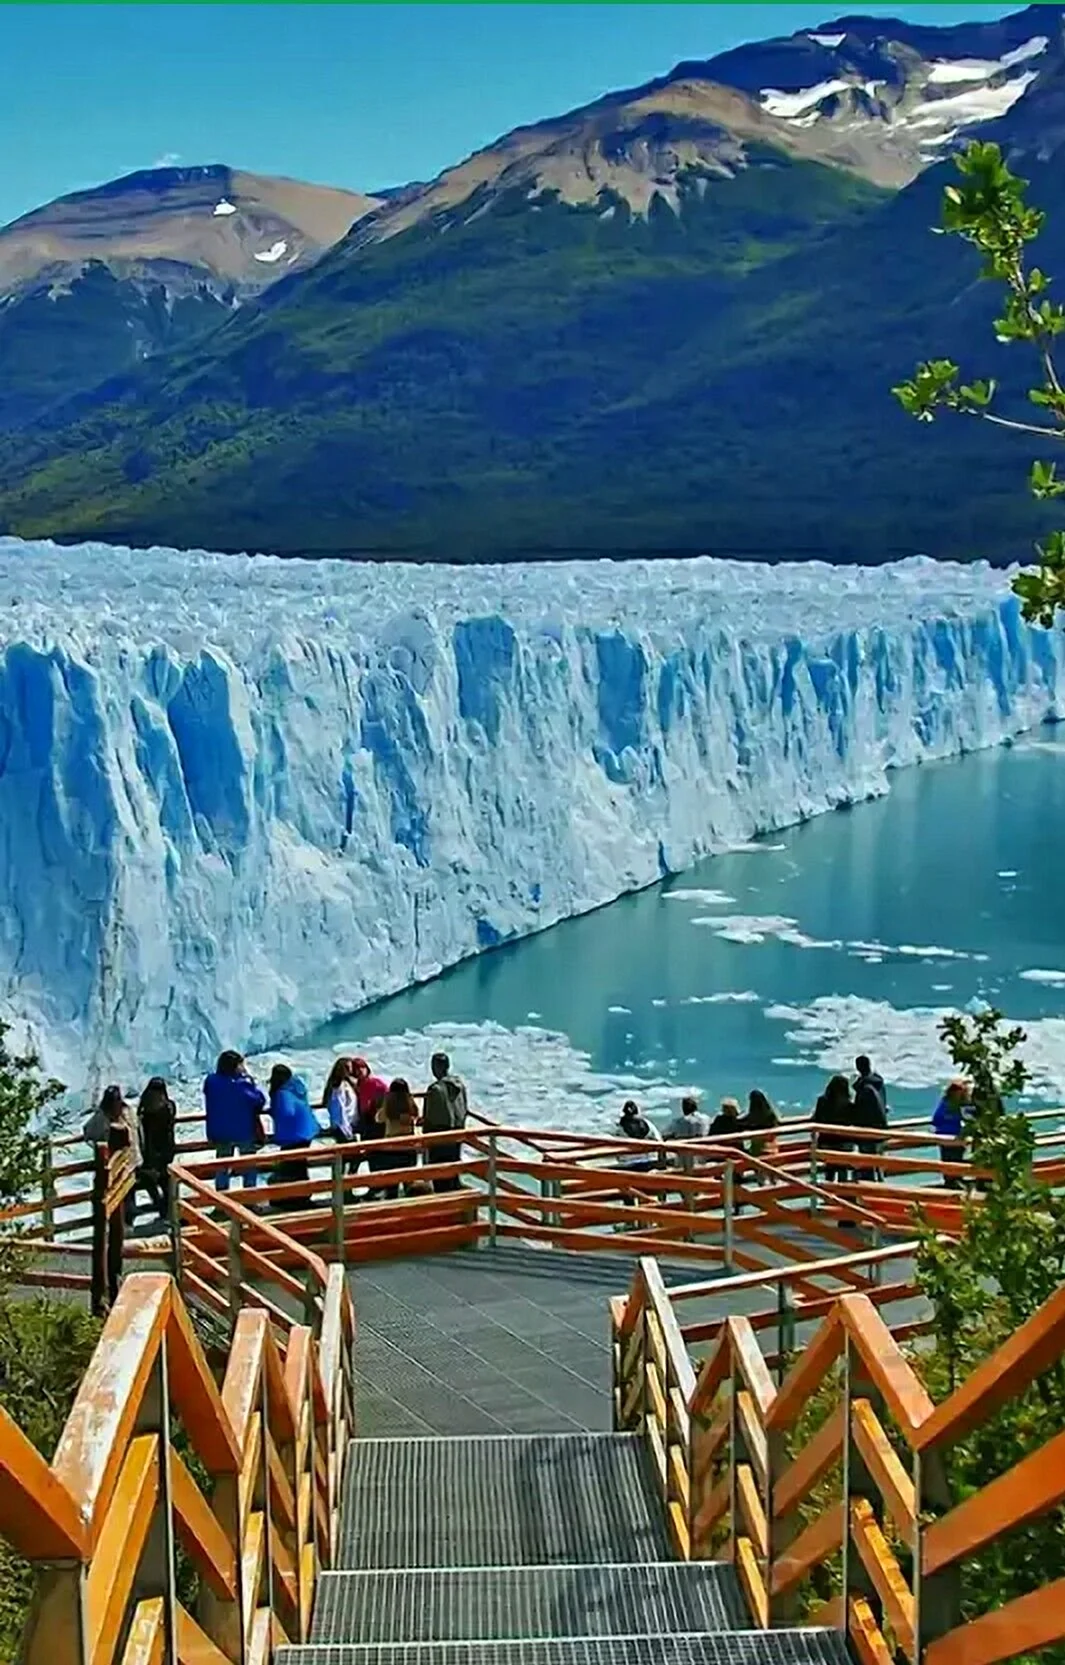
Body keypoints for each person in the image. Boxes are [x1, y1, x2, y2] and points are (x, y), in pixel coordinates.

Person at [84, 1085, 140, 1316]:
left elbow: (138, 1133)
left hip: (128, 1165)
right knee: (116, 1209)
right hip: (116, 1169)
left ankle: (128, 1223)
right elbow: (88, 1132)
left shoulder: (129, 1112)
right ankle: (109, 1286)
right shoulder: (102, 1118)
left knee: (126, 1200)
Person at [203, 1050, 266, 1191]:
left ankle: (221, 1202)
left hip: (219, 1132)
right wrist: (250, 1080)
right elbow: (259, 1100)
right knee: (248, 1167)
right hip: (243, 1132)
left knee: (222, 1169)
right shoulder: (242, 1084)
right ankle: (249, 1200)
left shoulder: (211, 1081)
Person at [422, 1051, 469, 1193]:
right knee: (453, 1174)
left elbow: (429, 1117)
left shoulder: (435, 1089)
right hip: (457, 1134)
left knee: (440, 1176)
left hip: (439, 1138)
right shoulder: (460, 1086)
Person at [135, 1076, 177, 1219]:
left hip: (150, 1153)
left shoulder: (144, 1110)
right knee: (165, 1183)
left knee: (156, 1182)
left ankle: (163, 1208)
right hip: (162, 1152)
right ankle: (168, 1210)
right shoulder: (168, 1107)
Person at [375, 1078, 420, 1199]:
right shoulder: (410, 1103)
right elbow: (417, 1116)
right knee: (409, 1184)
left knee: (391, 1187)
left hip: (391, 1148)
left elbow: (378, 1118)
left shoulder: (389, 1104)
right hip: (408, 1148)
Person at [352, 1056, 389, 1195]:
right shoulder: (359, 1086)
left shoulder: (373, 1082)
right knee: (373, 1157)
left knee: (377, 1156)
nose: (360, 1071)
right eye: (357, 1069)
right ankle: (376, 1186)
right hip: (369, 1123)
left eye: (362, 1067)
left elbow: (387, 1095)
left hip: (376, 1123)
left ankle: (378, 1187)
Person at [813, 1074, 854, 1185]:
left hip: (826, 1142)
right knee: (843, 1172)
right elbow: (853, 1121)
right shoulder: (848, 1105)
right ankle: (842, 1197)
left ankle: (827, 1196)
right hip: (844, 1143)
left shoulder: (822, 1101)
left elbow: (816, 1119)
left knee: (829, 1172)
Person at [852, 1065, 888, 1184]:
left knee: (868, 1163)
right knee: (878, 1163)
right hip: (880, 1129)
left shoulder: (864, 1088)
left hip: (866, 1131)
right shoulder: (879, 1084)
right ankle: (879, 1188)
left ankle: (870, 1191)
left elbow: (860, 1111)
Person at [933, 1079, 970, 1188]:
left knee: (957, 1160)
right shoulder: (945, 1103)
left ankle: (956, 1181)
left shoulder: (963, 1104)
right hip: (946, 1137)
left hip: (958, 1137)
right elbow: (936, 1119)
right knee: (948, 1160)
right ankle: (950, 1182)